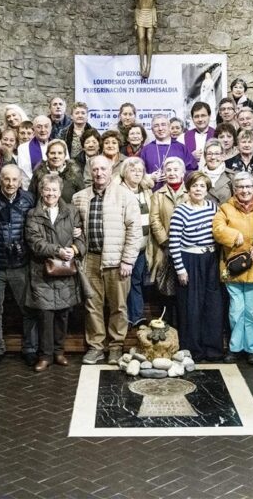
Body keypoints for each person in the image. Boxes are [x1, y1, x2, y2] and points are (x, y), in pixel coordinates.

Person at [73, 155, 142, 365]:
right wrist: (76, 232)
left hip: (117, 261)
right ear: (90, 171)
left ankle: (115, 347)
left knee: (118, 306)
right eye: (95, 169)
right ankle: (95, 347)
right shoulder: (79, 197)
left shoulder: (125, 196)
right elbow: (73, 226)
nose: (99, 173)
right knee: (92, 305)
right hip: (90, 259)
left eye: (103, 169)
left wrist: (128, 260)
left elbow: (135, 230)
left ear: (111, 170)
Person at [91, 0, 200, 78]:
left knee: (149, 38)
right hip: (140, 12)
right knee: (141, 38)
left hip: (150, 12)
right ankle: (142, 65)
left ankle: (148, 66)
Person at [24, 173, 86, 372]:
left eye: (54, 190)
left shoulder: (71, 211)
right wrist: (58, 250)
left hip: (66, 271)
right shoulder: (33, 214)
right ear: (41, 191)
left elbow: (81, 239)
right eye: (47, 189)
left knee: (63, 314)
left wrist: (74, 250)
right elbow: (35, 242)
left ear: (60, 192)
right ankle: (45, 355)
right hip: (42, 272)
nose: (50, 193)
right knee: (45, 315)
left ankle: (59, 352)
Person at [212, 172, 253, 365]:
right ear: (235, 189)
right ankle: (235, 347)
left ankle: (252, 348)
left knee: (252, 311)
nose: (245, 190)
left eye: (248, 186)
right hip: (233, 268)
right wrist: (233, 235)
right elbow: (217, 229)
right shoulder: (225, 208)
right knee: (236, 310)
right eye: (240, 187)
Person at [0, 164, 38, 367]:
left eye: (14, 179)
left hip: (20, 264)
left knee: (28, 309)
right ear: (0, 180)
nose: (10, 183)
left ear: (20, 181)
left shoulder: (29, 200)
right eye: (6, 179)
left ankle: (30, 348)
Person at [170, 171, 223, 361]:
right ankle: (194, 350)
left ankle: (212, 349)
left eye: (202, 186)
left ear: (207, 189)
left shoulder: (213, 207)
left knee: (212, 305)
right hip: (189, 260)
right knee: (191, 307)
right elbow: (174, 242)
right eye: (194, 186)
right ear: (188, 189)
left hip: (210, 260)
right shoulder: (180, 211)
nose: (198, 189)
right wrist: (180, 269)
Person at [148, 156, 189, 316]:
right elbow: (154, 219)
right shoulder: (158, 195)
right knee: (165, 286)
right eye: (168, 170)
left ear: (183, 173)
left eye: (176, 170)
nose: (172, 173)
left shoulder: (190, 192)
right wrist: (165, 241)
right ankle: (166, 321)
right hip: (164, 246)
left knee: (184, 284)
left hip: (187, 246)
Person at [116, 157, 153, 327]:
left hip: (143, 246)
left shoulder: (146, 191)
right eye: (133, 170)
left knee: (136, 281)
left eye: (140, 171)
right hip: (124, 247)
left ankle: (136, 316)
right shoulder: (117, 191)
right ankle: (125, 318)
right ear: (124, 173)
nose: (137, 173)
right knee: (124, 284)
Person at [141, 113, 194, 188]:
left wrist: (177, 176)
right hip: (152, 192)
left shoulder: (181, 148)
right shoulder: (146, 150)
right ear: (152, 130)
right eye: (156, 126)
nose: (160, 128)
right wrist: (149, 177)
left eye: (163, 125)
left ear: (169, 127)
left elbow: (192, 171)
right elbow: (138, 172)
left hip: (177, 192)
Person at [15, 114, 53, 182]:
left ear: (51, 128)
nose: (43, 130)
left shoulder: (59, 145)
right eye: (39, 127)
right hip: (33, 185)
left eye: (46, 126)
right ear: (34, 129)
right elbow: (24, 174)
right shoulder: (23, 148)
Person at [182, 101, 215, 165]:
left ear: (209, 116)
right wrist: (190, 157)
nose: (200, 119)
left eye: (203, 116)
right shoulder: (183, 137)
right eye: (196, 116)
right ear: (192, 118)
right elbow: (178, 160)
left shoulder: (217, 135)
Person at [202, 139, 233, 204]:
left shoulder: (231, 176)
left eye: (216, 153)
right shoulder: (197, 177)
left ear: (223, 156)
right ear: (205, 156)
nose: (213, 157)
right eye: (209, 154)